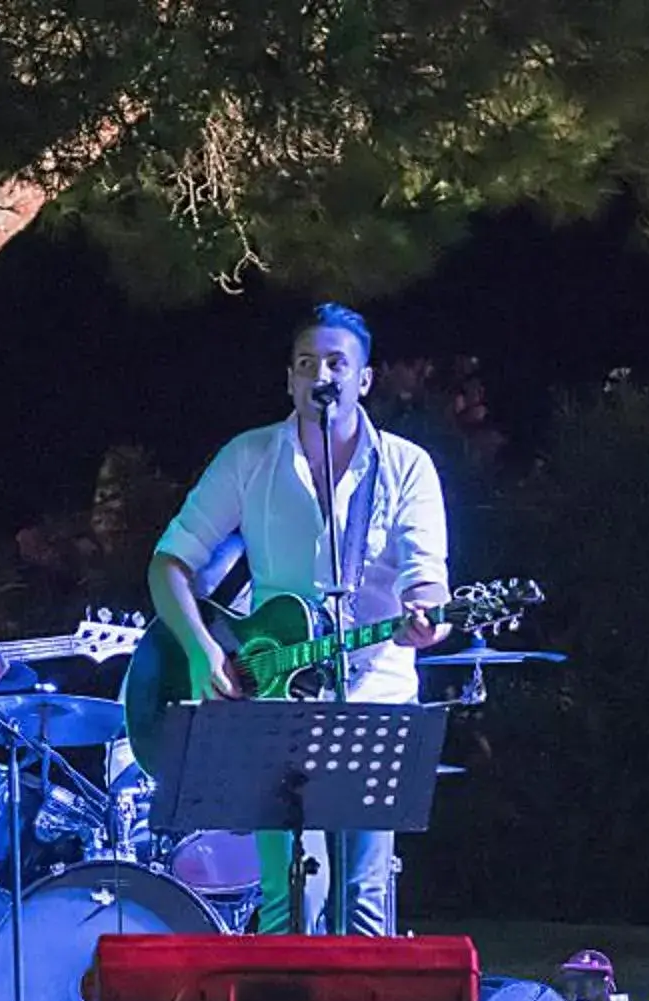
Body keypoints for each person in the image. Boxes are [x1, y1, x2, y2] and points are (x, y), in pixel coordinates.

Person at [149, 304, 451, 936]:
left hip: (376, 696)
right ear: (289, 380)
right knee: (292, 903)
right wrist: (203, 649)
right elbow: (170, 563)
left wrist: (428, 616)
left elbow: (428, 576)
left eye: (338, 363)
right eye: (308, 364)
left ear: (364, 380)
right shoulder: (249, 456)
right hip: (274, 703)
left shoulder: (406, 466)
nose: (323, 375)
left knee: (364, 900)